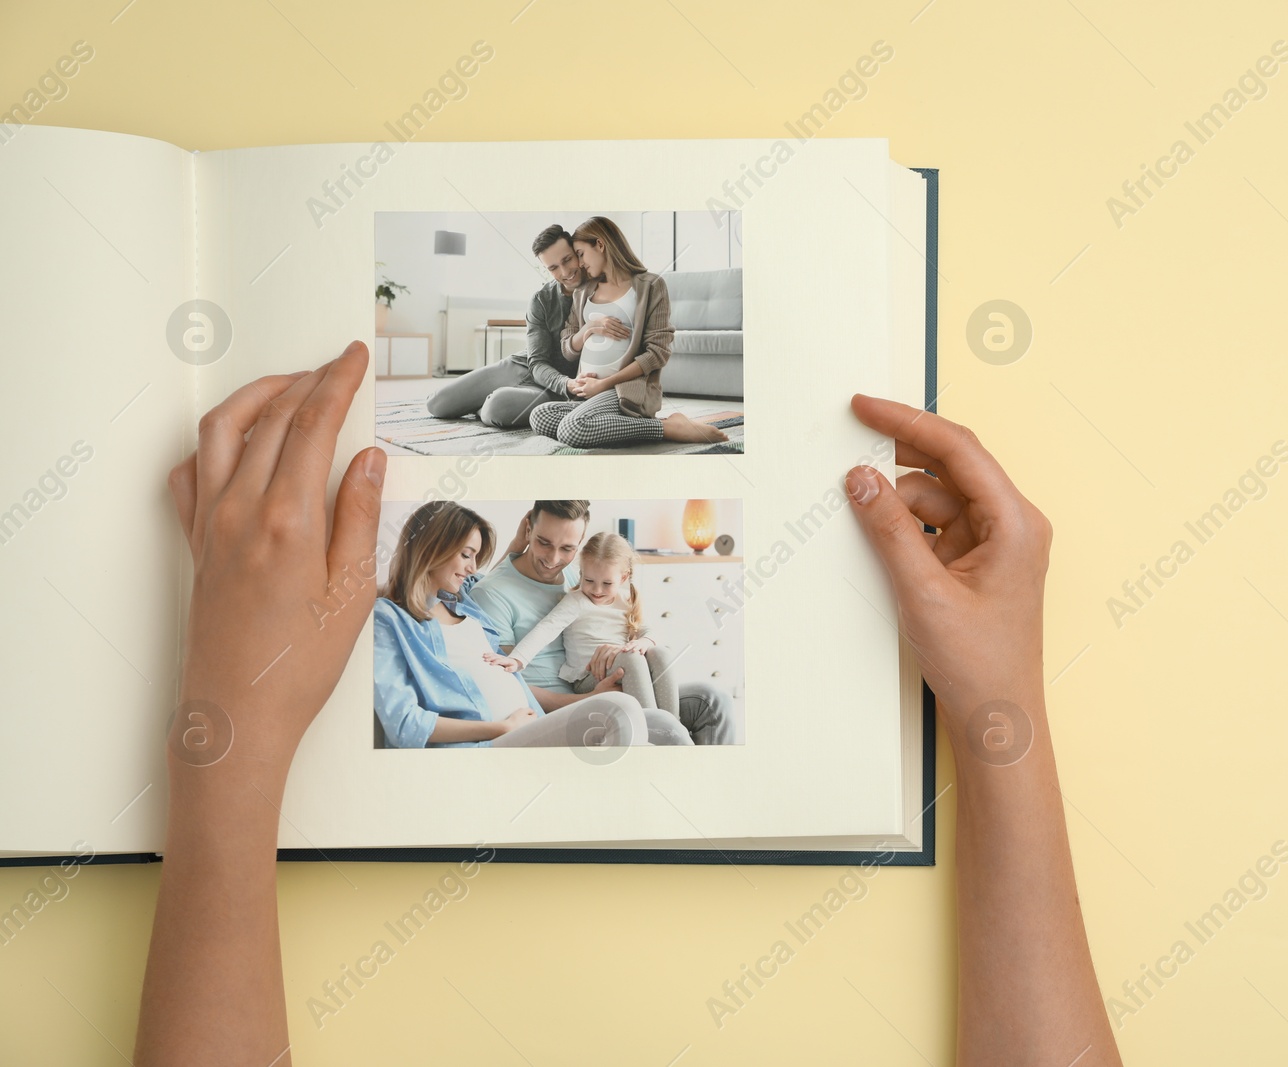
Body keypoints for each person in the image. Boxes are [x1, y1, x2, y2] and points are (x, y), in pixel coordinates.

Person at [136, 340, 1122, 1066]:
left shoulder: (478, 615)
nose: (490, 569)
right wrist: (1002, 714)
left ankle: (678, 752)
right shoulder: (435, 615)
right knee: (625, 716)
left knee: (677, 699)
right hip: (514, 729)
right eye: (474, 557)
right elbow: (465, 694)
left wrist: (230, 730)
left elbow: (517, 663)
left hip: (534, 708)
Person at [372, 499, 667, 748]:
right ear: (430, 549)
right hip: (494, 737)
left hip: (534, 721)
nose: (473, 567)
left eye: (567, 548)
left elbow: (486, 581)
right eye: (466, 555)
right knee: (626, 711)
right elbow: (405, 725)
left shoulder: (462, 601)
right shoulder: (390, 619)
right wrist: (499, 728)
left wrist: (519, 545)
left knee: (693, 707)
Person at [471, 499, 733, 746]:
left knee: (712, 700)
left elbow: (620, 619)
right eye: (543, 543)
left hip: (615, 681)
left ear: (580, 544)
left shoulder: (582, 572)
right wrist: (589, 698)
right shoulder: (493, 594)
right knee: (666, 729)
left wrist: (626, 647)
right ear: (528, 529)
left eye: (567, 548)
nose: (553, 560)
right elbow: (507, 682)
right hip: (561, 708)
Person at [532, 215, 729, 448]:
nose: (580, 263)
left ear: (601, 245)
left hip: (623, 391)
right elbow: (567, 346)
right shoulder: (583, 291)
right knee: (539, 416)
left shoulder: (650, 286)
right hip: (587, 393)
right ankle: (607, 421)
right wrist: (587, 330)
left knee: (572, 429)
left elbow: (657, 354)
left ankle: (667, 428)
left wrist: (604, 384)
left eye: (580, 254)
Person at [486, 531, 680, 715]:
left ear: (623, 577)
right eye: (589, 580)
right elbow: (546, 628)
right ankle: (652, 728)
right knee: (632, 658)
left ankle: (672, 724)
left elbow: (648, 631)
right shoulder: (577, 601)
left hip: (620, 667)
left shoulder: (625, 600)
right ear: (581, 573)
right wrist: (517, 659)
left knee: (661, 652)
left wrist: (644, 642)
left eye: (607, 583)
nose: (596, 590)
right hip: (587, 677)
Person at [423, 223, 589, 428]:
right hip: (522, 366)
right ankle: (487, 398)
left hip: (554, 390)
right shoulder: (541, 299)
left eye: (567, 259)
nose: (565, 272)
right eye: (553, 268)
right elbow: (537, 363)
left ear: (577, 252)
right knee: (436, 404)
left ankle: (487, 402)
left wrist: (567, 385)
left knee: (496, 409)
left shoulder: (602, 291)